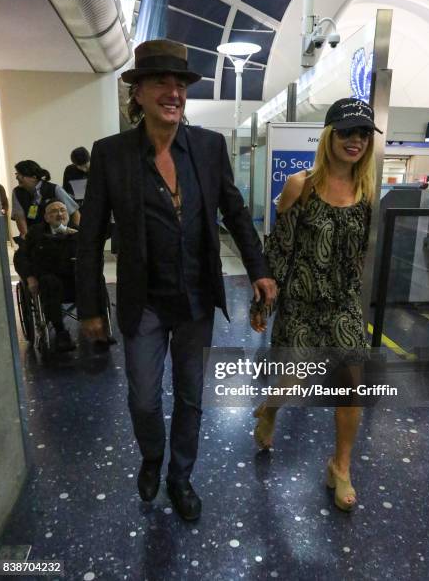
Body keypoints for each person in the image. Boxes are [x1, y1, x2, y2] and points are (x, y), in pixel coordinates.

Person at [76, 39, 276, 521]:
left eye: (180, 84)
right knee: (144, 398)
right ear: (138, 93)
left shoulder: (207, 147)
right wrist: (89, 308)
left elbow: (235, 211)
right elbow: (89, 237)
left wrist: (260, 270)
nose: (173, 92)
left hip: (195, 301)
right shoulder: (112, 154)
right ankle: (151, 457)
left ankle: (180, 476)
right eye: (161, 82)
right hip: (143, 303)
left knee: (190, 397)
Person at [252, 98, 379, 512]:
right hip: (301, 303)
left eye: (362, 133)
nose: (355, 140)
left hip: (343, 303)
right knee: (293, 381)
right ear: (329, 136)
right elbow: (280, 252)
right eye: (346, 132)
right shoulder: (300, 185)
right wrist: (263, 304)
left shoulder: (368, 192)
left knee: (350, 388)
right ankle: (269, 410)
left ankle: (340, 467)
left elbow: (360, 254)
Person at [15, 200, 79, 352]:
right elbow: (21, 257)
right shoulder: (36, 233)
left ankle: (101, 329)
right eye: (54, 212)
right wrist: (29, 277)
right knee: (49, 282)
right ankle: (60, 332)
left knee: (97, 280)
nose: (59, 214)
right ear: (46, 218)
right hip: (48, 282)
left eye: (62, 210)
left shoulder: (77, 232)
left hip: (75, 279)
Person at [11, 160, 80, 238]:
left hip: (59, 235)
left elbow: (74, 212)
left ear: (33, 177)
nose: (17, 177)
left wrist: (75, 234)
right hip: (34, 236)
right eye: (17, 174)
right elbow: (19, 217)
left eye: (20, 175)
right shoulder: (17, 192)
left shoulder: (55, 189)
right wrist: (26, 238)